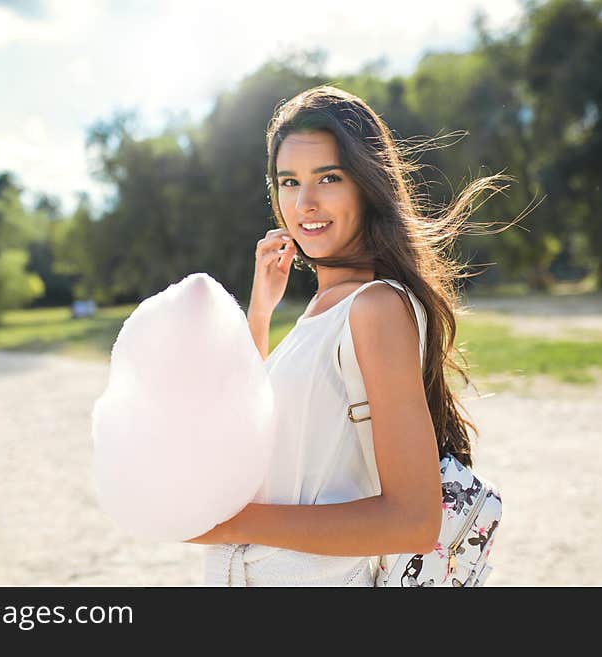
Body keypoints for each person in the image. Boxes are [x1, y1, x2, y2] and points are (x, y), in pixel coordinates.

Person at [185, 85, 516, 586]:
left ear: (367, 183)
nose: (305, 202)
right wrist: (260, 310)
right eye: (289, 182)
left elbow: (412, 521)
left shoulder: (376, 308)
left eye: (329, 178)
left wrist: (231, 524)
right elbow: (252, 428)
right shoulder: (324, 307)